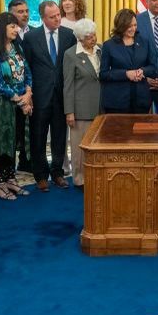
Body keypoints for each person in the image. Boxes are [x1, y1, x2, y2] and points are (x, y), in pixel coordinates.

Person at [23, 0, 77, 191]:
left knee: (60, 136)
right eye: (52, 17)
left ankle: (57, 173)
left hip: (62, 95)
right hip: (40, 95)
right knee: (38, 136)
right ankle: (41, 175)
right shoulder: (31, 37)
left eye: (58, 15)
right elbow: (26, 68)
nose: (57, 19)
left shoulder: (69, 35)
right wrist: (28, 95)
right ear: (43, 18)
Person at [0, 12, 33, 200]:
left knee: (14, 142)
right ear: (2, 27)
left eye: (17, 26)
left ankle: (11, 179)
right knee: (2, 144)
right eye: (12, 26)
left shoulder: (16, 46)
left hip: (20, 102)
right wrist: (18, 98)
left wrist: (28, 93)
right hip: (2, 106)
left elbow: (27, 71)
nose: (16, 29)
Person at [63, 18, 103, 189]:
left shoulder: (100, 50)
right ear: (80, 38)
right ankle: (79, 179)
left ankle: (96, 177)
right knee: (79, 148)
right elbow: (68, 85)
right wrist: (69, 112)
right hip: (80, 110)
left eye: (93, 35)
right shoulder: (71, 54)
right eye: (88, 37)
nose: (93, 39)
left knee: (97, 147)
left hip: (100, 108)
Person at [100, 8, 158, 115]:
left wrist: (142, 71)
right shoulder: (109, 45)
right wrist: (126, 74)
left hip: (141, 100)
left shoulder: (144, 42)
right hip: (117, 101)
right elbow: (103, 74)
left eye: (135, 25)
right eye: (129, 26)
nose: (133, 28)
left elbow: (153, 67)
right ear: (121, 26)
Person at [8, 0, 32, 171]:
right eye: (20, 12)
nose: (24, 15)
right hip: (13, 92)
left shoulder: (36, 32)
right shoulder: (7, 38)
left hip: (30, 88)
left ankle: (27, 161)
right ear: (11, 14)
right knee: (15, 131)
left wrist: (29, 91)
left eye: (26, 11)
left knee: (30, 129)